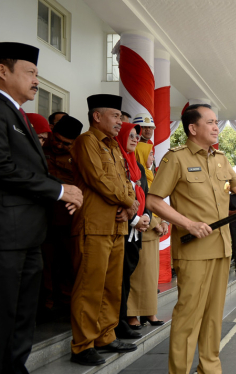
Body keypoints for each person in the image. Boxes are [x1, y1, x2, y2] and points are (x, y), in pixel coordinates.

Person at [145, 103, 236, 374]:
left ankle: (209, 369)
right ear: (192, 128)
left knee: (213, 317)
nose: (216, 127)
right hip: (193, 250)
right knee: (188, 317)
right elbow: (153, 200)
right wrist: (188, 224)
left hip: (221, 249)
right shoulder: (176, 158)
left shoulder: (220, 158)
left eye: (216, 122)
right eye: (209, 122)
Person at [0, 41, 83, 374]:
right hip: (6, 234)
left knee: (21, 313)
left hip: (28, 234)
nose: (36, 80)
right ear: (3, 71)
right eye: (30, 72)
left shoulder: (18, 115)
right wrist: (59, 190)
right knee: (1, 313)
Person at [69, 94, 139, 366]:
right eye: (115, 115)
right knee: (90, 287)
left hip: (116, 225)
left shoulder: (113, 147)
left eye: (120, 116)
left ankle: (105, 336)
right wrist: (129, 202)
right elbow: (99, 180)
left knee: (111, 287)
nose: (119, 121)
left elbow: (127, 181)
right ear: (97, 117)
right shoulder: (86, 142)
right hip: (94, 226)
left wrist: (129, 206)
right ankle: (82, 345)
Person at [40, 115, 83, 315]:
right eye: (56, 139)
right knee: (44, 263)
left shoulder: (79, 153)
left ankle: (65, 303)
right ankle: (45, 305)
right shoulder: (39, 146)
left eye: (66, 144)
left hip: (68, 219)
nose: (58, 145)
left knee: (67, 262)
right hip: (41, 218)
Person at [114, 123, 151, 340]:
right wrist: (136, 218)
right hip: (122, 227)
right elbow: (117, 195)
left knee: (125, 277)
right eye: (130, 135)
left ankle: (119, 321)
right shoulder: (118, 162)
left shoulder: (135, 165)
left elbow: (144, 193)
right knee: (118, 280)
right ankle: (118, 323)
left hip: (136, 229)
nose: (136, 139)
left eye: (137, 136)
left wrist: (145, 216)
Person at [128, 142, 168, 328]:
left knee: (151, 276)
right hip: (142, 229)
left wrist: (165, 222)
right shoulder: (136, 174)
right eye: (150, 154)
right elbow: (141, 202)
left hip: (154, 231)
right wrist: (154, 223)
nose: (153, 157)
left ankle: (149, 312)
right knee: (138, 275)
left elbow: (159, 201)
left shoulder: (150, 175)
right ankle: (133, 315)